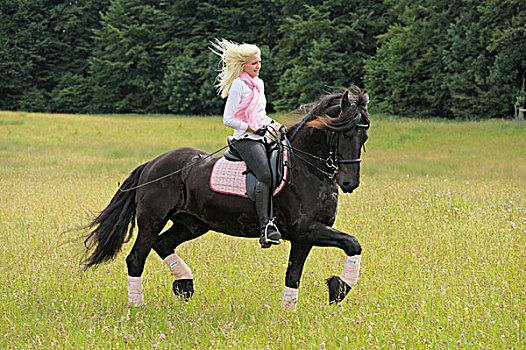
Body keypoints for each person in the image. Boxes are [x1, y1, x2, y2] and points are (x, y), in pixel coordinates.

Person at [211, 39, 283, 248]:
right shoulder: (238, 85)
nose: (258, 66)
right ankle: (266, 227)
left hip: (262, 136)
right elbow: (228, 119)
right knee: (266, 174)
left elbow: (261, 115)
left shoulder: (259, 84)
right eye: (254, 63)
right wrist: (250, 128)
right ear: (243, 65)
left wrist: (276, 126)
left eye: (259, 62)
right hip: (245, 139)